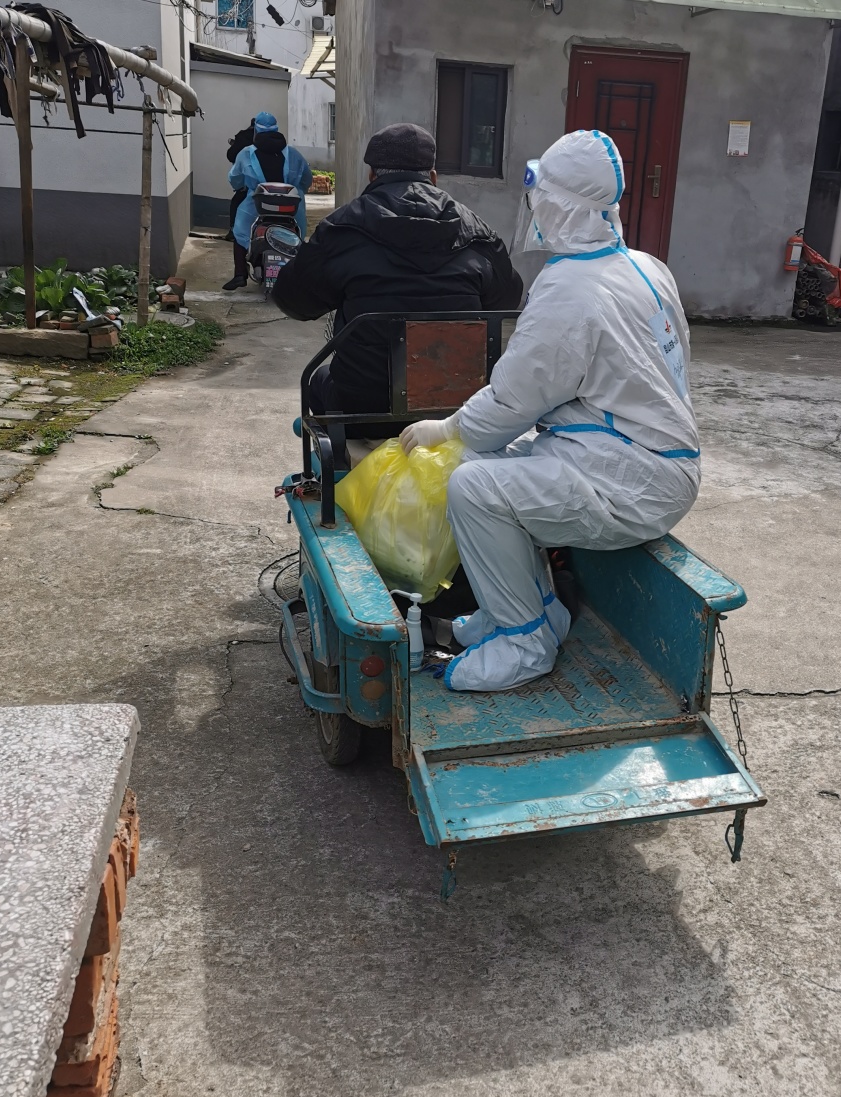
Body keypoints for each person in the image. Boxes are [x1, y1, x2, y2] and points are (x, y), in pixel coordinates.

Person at [399, 128, 701, 693]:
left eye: (540, 198)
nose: (534, 210)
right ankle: (532, 611)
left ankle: (525, 642)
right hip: (640, 457)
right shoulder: (645, 265)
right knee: (494, 466)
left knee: (475, 487)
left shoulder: (570, 288)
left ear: (560, 205)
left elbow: (515, 398)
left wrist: (450, 427)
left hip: (632, 478)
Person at [272, 123, 523, 437]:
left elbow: (294, 301)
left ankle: (334, 462)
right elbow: (507, 299)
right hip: (456, 410)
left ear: (372, 176)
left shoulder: (341, 229)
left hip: (363, 409)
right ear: (433, 177)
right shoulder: (478, 231)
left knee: (318, 381)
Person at [223, 112, 312, 291]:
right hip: (290, 207)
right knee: (297, 235)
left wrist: (242, 186)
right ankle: (296, 273)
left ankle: (240, 274)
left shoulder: (246, 153)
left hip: (258, 206)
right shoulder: (293, 153)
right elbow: (306, 179)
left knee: (240, 230)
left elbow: (235, 179)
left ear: (256, 130)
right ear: (276, 130)